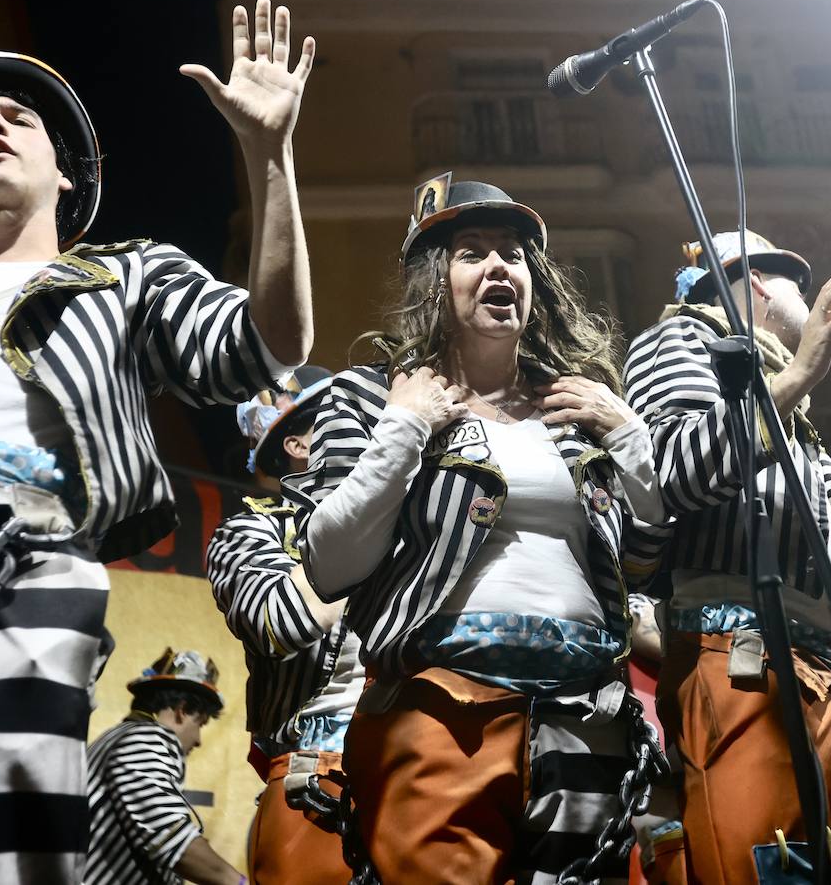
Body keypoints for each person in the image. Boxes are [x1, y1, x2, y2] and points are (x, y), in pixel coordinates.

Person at [0, 0, 316, 884]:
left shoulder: (124, 277)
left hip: (22, 574)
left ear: (66, 175)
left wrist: (269, 154)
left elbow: (268, 344)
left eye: (18, 118)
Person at [285, 174, 668, 884]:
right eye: (472, 251)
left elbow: (646, 563)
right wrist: (403, 428)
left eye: (513, 254)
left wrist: (630, 436)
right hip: (442, 706)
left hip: (584, 706)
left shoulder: (576, 406)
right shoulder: (368, 397)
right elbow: (331, 562)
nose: (500, 266)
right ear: (435, 280)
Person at [623, 229, 831, 884]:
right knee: (763, 867)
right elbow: (670, 472)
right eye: (794, 281)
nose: (805, 293)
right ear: (761, 284)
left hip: (817, 677)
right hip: (740, 657)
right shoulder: (682, 340)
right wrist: (796, 376)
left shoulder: (781, 391)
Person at [208, 366, 357, 884]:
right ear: (298, 444)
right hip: (320, 773)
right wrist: (356, 540)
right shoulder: (251, 528)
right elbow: (278, 622)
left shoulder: (415, 518)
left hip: (425, 757)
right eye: (346, 420)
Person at [86, 649, 241, 885]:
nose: (199, 739)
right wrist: (238, 883)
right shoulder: (145, 740)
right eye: (200, 723)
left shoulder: (118, 737)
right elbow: (170, 837)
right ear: (182, 710)